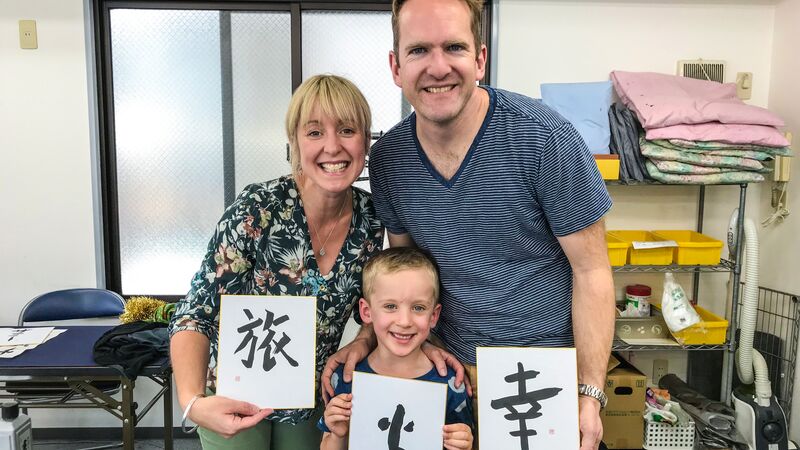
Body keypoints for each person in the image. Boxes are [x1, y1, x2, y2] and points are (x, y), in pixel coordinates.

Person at [323, 1, 616, 449]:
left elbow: (593, 272)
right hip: (448, 379)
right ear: (395, 66)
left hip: (543, 380)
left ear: (479, 58)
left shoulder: (544, 137)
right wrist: (369, 338)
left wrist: (589, 394)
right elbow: (406, 274)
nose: (438, 67)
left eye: (454, 47)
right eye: (419, 50)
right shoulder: (390, 160)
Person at [168, 74, 384, 450]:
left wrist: (363, 340)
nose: (332, 147)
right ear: (295, 142)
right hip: (236, 396)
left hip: (310, 398)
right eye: (314, 132)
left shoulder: (370, 220)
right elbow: (196, 312)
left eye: (347, 130)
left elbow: (372, 308)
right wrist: (191, 402)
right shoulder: (260, 209)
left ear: (366, 141)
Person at [319, 247, 473, 450]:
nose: (404, 321)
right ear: (366, 311)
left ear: (434, 316)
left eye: (418, 308)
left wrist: (465, 445)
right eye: (390, 306)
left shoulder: (452, 383)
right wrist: (337, 435)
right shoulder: (346, 378)